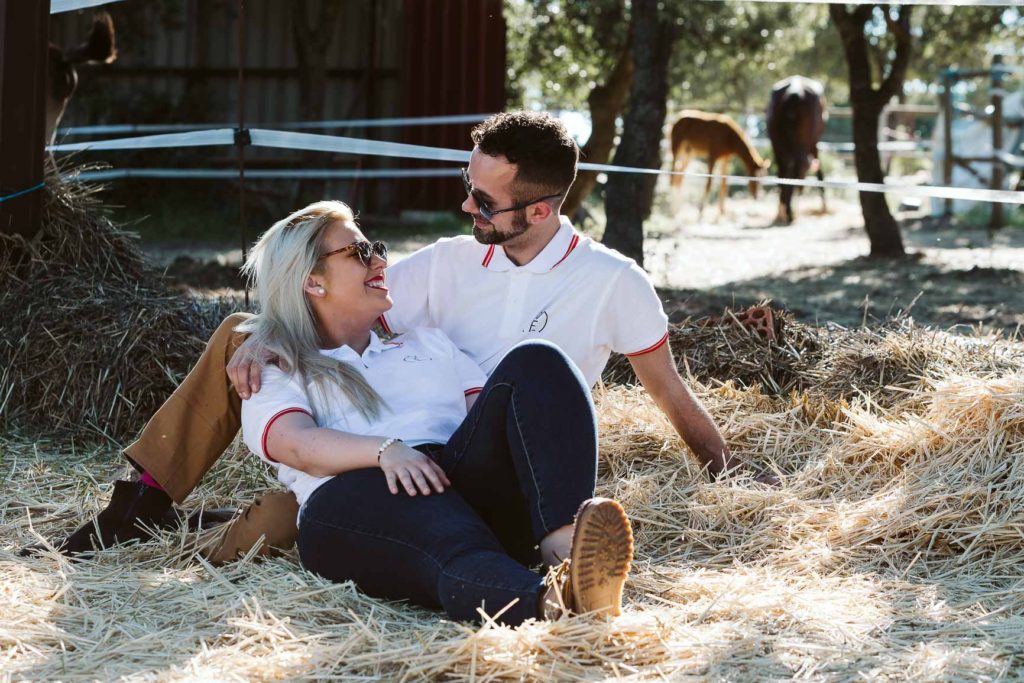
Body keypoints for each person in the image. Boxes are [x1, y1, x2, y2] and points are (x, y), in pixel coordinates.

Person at [46, 110, 769, 561]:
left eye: (483, 200)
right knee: (239, 330)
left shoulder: (615, 282)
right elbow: (336, 294)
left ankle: (213, 524)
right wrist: (266, 330)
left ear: (542, 211)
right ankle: (140, 498)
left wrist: (731, 479)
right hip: (410, 453)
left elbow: (671, 395)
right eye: (467, 182)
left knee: (287, 516)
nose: (465, 205)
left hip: (511, 470)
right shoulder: (449, 263)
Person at [236, 199, 632, 625]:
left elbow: (502, 422)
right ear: (313, 282)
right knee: (447, 540)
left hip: (455, 482)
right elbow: (294, 444)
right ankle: (553, 603)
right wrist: (387, 451)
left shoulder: (429, 344)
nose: (380, 261)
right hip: (355, 501)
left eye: (377, 248)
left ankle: (568, 554)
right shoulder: (276, 365)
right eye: (359, 253)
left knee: (537, 360)